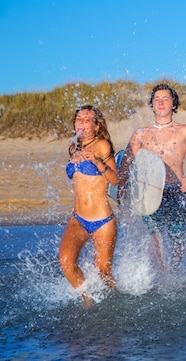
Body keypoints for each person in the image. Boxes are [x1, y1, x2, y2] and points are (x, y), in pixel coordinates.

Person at [118, 84, 186, 271]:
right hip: (150, 191)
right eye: (156, 99)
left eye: (165, 98)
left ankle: (173, 271)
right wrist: (121, 190)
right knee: (154, 236)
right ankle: (162, 276)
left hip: (176, 190)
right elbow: (125, 163)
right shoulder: (141, 134)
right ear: (152, 105)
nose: (161, 102)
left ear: (173, 104)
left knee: (178, 241)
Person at [59, 105, 118, 304]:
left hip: (102, 220)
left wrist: (98, 163)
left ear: (96, 125)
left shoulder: (102, 146)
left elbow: (115, 180)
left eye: (87, 119)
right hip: (78, 218)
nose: (82, 123)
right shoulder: (73, 147)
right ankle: (87, 299)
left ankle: (115, 302)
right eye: (79, 119)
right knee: (66, 262)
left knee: (103, 272)